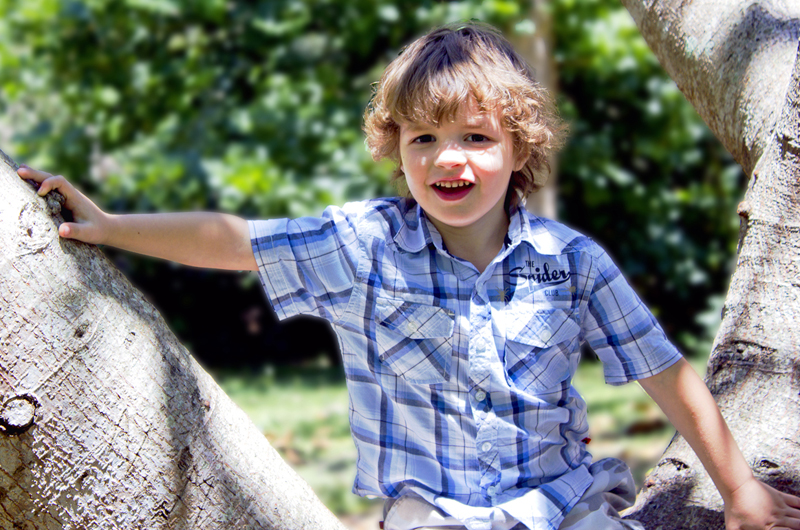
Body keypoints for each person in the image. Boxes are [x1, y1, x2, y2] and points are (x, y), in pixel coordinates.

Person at [17, 21, 800, 530]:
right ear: (397, 149)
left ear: (520, 149)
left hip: (562, 503)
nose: (446, 157)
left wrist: (738, 489)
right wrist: (111, 225)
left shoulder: (571, 264)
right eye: (423, 136)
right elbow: (236, 239)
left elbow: (664, 372)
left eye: (474, 136)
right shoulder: (364, 246)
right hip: (431, 512)